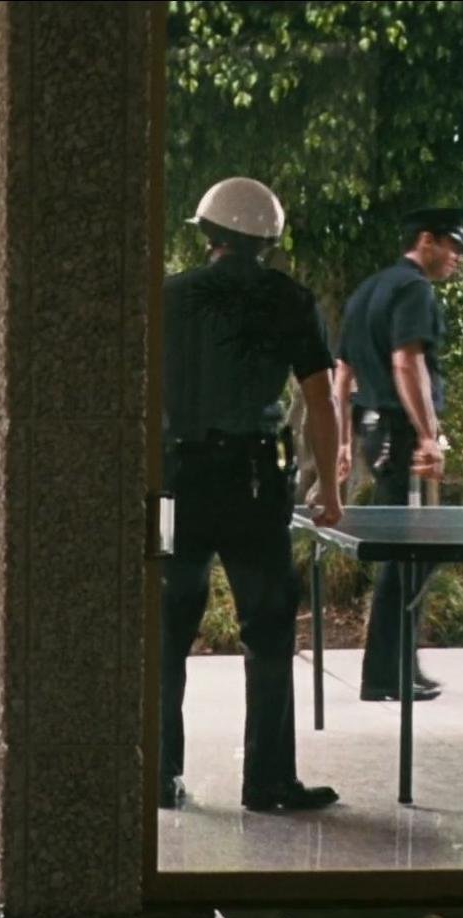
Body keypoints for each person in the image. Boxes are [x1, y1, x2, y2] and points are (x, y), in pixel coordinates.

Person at [159, 177, 344, 813]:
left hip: (174, 484)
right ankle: (268, 781)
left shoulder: (168, 296)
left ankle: (159, 774)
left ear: (207, 233)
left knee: (165, 627)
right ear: (269, 241)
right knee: (267, 633)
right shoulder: (290, 300)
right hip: (255, 484)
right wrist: (330, 487)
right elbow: (320, 400)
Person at [335, 207, 463, 703]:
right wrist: (428, 436)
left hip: (376, 430)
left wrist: (344, 442)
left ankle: (400, 664)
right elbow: (407, 363)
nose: (458, 257)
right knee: (409, 553)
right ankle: (386, 674)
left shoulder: (368, 289)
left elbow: (342, 375)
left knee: (412, 551)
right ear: (426, 240)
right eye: (454, 246)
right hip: (401, 431)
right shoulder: (414, 289)